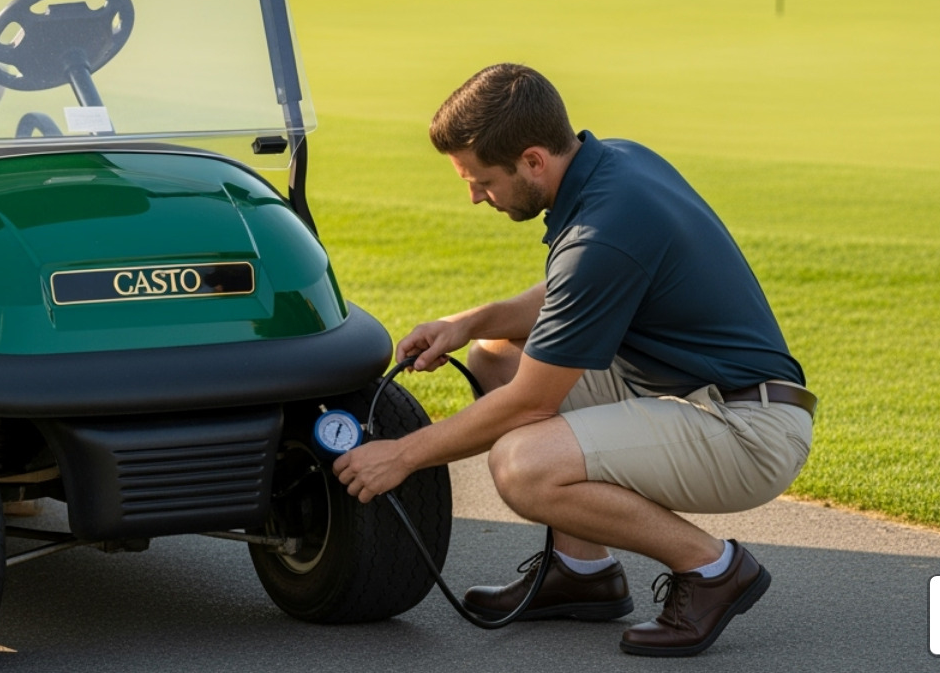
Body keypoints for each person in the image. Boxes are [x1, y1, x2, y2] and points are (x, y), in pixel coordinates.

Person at [333, 63, 815, 657]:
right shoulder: (616, 162)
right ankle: (580, 574)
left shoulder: (603, 233)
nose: (474, 196)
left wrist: (400, 456)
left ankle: (714, 570)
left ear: (533, 160)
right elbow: (575, 296)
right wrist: (467, 324)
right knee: (495, 358)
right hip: (702, 394)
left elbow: (533, 399)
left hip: (747, 431)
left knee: (522, 463)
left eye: (482, 179)